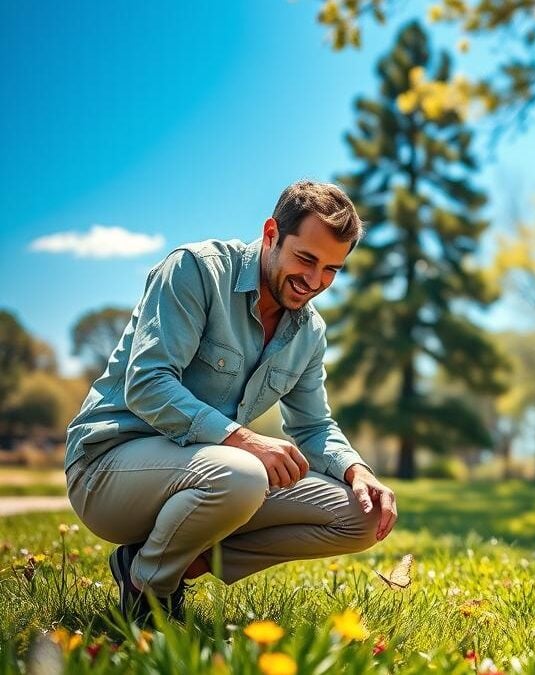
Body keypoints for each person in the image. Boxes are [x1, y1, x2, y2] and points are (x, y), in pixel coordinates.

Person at [64, 180, 397, 624]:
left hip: (214, 474)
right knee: (242, 473)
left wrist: (357, 470)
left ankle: (172, 564)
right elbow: (146, 383)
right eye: (306, 259)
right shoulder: (196, 271)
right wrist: (243, 441)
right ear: (271, 233)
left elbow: (314, 426)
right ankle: (149, 591)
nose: (315, 282)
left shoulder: (309, 332)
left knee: (360, 516)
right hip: (108, 468)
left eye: (332, 269)